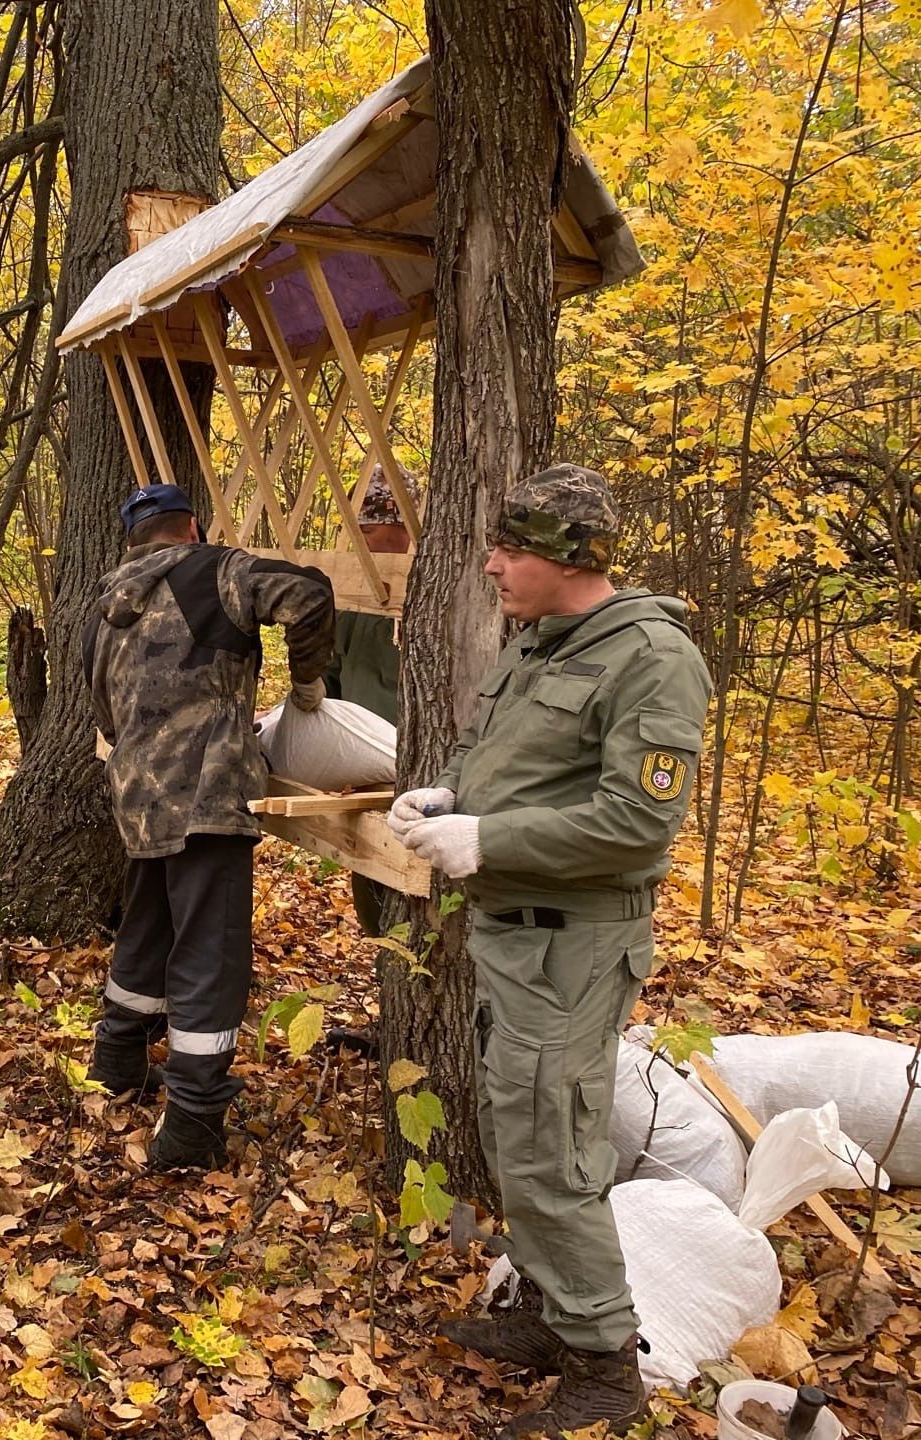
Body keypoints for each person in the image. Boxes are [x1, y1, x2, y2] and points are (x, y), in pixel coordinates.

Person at [387, 463, 711, 1439]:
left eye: (511, 549)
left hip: (573, 945)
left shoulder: (650, 656)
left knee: (554, 1155)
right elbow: (496, 755)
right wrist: (447, 795)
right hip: (514, 945)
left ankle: (606, 1373)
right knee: (519, 1137)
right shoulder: (541, 645)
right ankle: (549, 1312)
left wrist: (488, 842)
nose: (491, 565)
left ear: (571, 557)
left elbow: (638, 824)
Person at [83, 483, 334, 1170]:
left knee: (148, 928)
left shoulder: (105, 605)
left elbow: (104, 714)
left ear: (134, 537)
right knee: (209, 954)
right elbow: (309, 595)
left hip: (137, 795)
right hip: (206, 798)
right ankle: (193, 1121)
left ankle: (117, 1062)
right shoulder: (219, 569)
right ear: (193, 526)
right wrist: (307, 687)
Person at [323, 469, 412, 939]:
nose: (361, 544)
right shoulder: (354, 596)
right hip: (361, 772)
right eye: (355, 533)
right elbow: (329, 677)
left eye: (370, 533)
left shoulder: (432, 596)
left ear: (404, 528)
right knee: (371, 886)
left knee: (414, 894)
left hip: (418, 776)